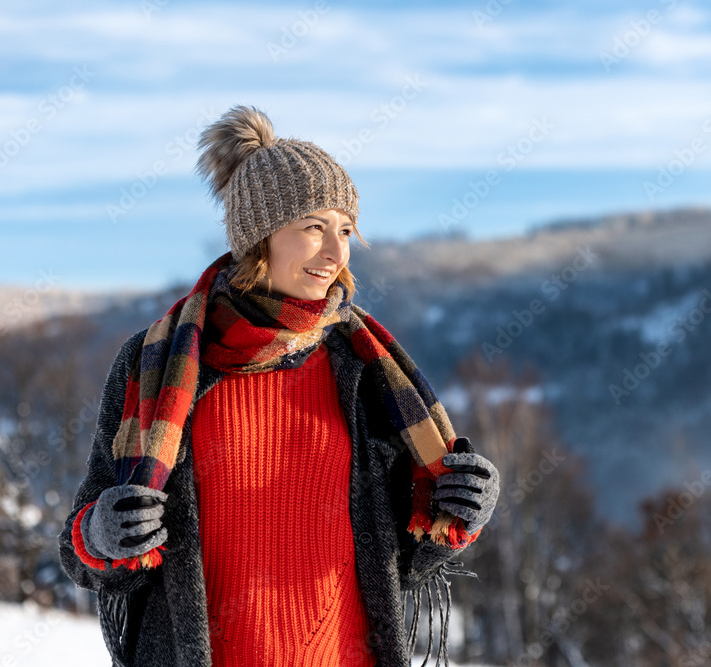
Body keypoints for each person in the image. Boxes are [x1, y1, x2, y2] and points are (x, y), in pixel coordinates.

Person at [57, 105, 501, 667]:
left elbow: (406, 559)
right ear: (259, 237)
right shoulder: (157, 365)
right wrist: (101, 534)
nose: (337, 254)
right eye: (313, 228)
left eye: (345, 231)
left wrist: (459, 508)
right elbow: (83, 554)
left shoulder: (366, 370)